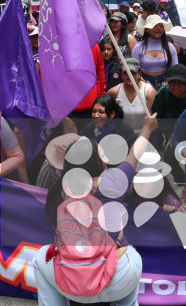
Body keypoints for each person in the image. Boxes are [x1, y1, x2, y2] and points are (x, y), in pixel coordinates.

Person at [36, 113, 159, 306]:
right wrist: (147, 128)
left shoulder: (57, 192)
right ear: (95, 161)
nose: (107, 157)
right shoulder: (112, 182)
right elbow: (134, 154)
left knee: (38, 258)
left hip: (73, 283)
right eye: (102, 153)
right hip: (116, 282)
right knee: (132, 254)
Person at [107, 58, 156, 130]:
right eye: (125, 72)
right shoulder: (113, 92)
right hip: (123, 135)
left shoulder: (149, 92)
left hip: (146, 135)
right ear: (121, 73)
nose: (129, 75)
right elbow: (108, 119)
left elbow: (152, 121)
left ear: (140, 73)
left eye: (133, 72)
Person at [132, 15, 177, 88]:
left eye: (161, 26)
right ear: (147, 29)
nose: (158, 28)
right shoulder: (138, 47)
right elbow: (134, 69)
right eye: (154, 26)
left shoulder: (170, 46)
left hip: (166, 83)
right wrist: (140, 80)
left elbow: (175, 68)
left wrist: (169, 81)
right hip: (143, 82)